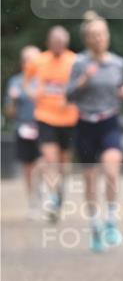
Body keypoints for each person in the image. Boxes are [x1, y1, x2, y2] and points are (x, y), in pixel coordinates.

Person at [66, 15, 123, 253]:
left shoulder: (117, 63)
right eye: (94, 35)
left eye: (102, 34)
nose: (99, 38)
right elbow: (68, 95)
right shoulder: (79, 63)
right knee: (90, 179)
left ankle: (111, 220)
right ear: (86, 39)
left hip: (110, 121)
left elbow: (120, 87)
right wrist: (83, 81)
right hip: (86, 124)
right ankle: (95, 225)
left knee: (112, 172)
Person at [25, 26, 78, 221]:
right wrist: (33, 94)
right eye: (56, 43)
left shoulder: (74, 61)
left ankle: (59, 193)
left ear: (66, 43)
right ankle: (53, 197)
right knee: (50, 160)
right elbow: (26, 81)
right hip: (45, 117)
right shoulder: (38, 61)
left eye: (62, 43)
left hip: (69, 119)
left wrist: (71, 98)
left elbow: (81, 86)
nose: (59, 46)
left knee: (64, 164)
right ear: (49, 43)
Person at [3, 45, 42, 217]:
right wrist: (12, 100)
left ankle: (45, 190)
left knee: (44, 162)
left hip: (44, 125)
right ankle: (33, 201)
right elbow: (9, 112)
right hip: (23, 127)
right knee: (27, 167)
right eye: (27, 59)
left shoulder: (44, 80)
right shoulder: (16, 82)